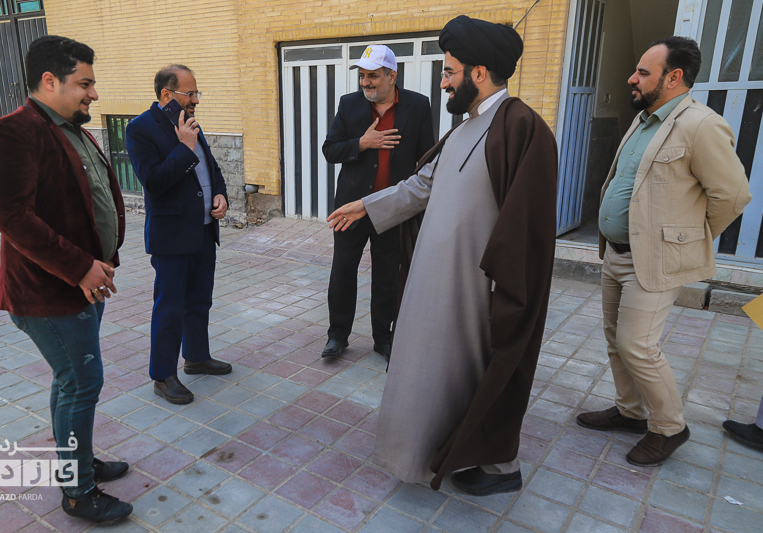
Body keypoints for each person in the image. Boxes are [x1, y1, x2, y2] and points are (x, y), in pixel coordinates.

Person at [327, 16, 558, 495]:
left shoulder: (521, 127)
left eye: (450, 71)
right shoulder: (465, 129)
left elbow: (528, 228)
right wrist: (366, 205)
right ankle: (439, 452)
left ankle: (500, 467)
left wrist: (503, 292)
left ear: (479, 73)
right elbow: (422, 186)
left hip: (478, 287)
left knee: (487, 373)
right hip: (437, 283)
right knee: (435, 376)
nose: (443, 82)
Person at [576, 37, 752, 466]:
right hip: (616, 253)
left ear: (674, 77)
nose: (632, 78)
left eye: (643, 72)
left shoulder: (702, 125)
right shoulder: (644, 120)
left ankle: (670, 427)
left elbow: (732, 196)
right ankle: (630, 412)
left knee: (637, 345)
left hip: (653, 261)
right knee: (616, 340)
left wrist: (686, 238)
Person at [0, 35, 132, 523]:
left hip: (84, 286)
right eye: (84, 83)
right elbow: (10, 216)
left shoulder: (71, 129)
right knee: (82, 383)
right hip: (49, 294)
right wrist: (80, 266)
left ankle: (77, 460)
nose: (93, 94)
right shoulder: (11, 133)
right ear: (50, 81)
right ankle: (78, 492)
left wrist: (99, 261)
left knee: (71, 382)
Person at [321, 45, 435, 360]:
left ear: (391, 75)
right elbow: (330, 150)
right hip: (351, 208)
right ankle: (337, 336)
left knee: (387, 275)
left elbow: (427, 159)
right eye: (362, 76)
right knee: (343, 272)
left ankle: (383, 338)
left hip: (393, 209)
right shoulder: (349, 105)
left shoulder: (417, 105)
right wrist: (362, 143)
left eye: (372, 76)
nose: (365, 82)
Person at [126, 65, 232, 404]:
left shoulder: (189, 123)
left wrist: (220, 194)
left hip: (203, 232)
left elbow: (211, 168)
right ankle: (162, 375)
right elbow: (153, 181)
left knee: (199, 301)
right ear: (167, 95)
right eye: (191, 94)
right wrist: (184, 146)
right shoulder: (140, 128)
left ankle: (197, 358)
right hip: (171, 237)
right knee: (169, 309)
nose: (196, 100)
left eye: (197, 93)